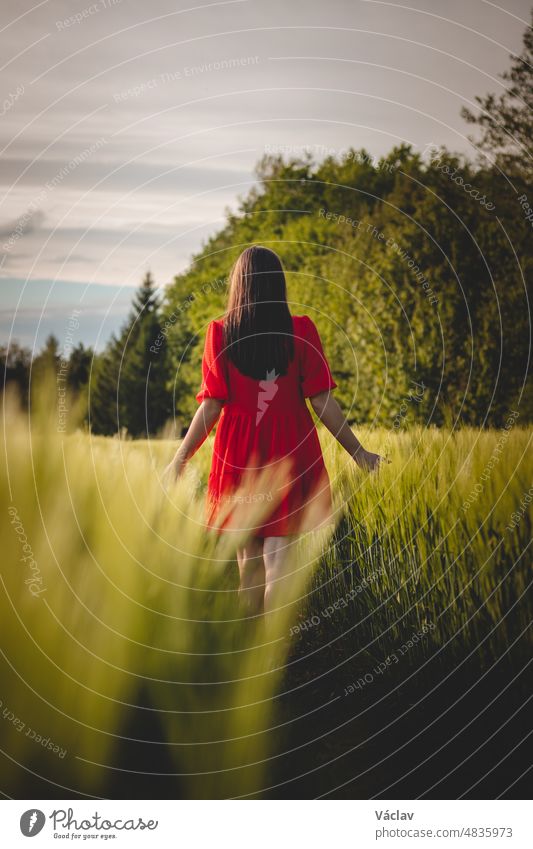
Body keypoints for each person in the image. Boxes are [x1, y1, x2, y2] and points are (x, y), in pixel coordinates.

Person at [164, 245, 387, 616]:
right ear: (277, 285)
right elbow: (321, 402)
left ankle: (251, 654)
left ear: (238, 286)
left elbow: (212, 406)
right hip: (288, 451)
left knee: (248, 562)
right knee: (279, 562)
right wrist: (359, 452)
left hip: (238, 454)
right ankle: (272, 650)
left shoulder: (220, 334)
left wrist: (180, 457)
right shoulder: (300, 331)